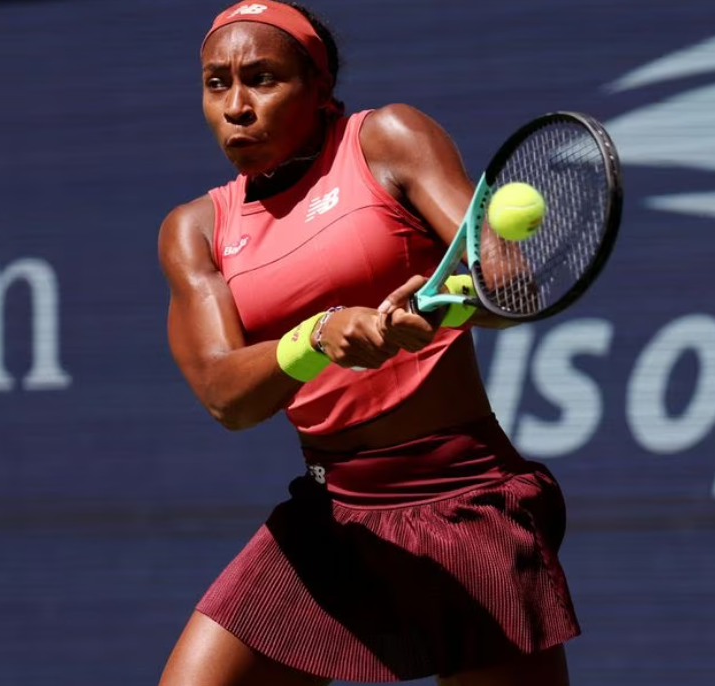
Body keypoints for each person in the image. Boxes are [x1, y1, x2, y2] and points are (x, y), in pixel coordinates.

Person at [156, 2, 579, 684]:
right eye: (216, 82)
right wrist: (317, 337)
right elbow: (224, 395)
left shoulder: (387, 138)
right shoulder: (195, 230)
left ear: (319, 87)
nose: (236, 105)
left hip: (465, 501)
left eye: (262, 79)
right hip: (332, 516)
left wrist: (439, 305)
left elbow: (511, 284)